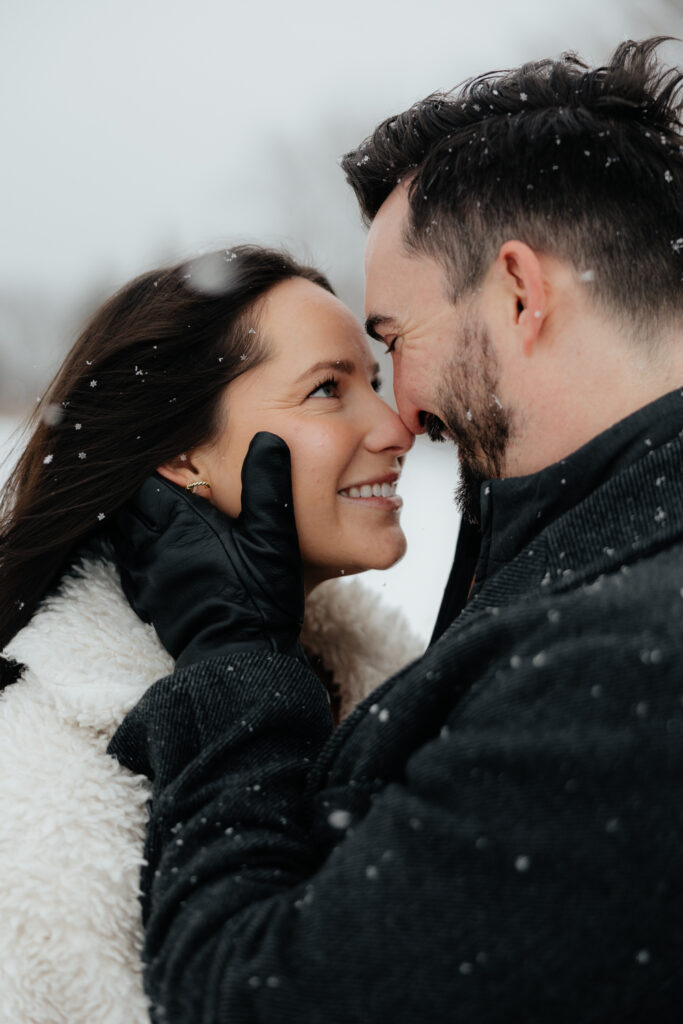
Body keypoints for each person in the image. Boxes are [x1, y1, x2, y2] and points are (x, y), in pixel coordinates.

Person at [101, 37, 683, 1022]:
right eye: (336, 384)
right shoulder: (591, 561)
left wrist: (236, 663)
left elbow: (254, 1000)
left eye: (389, 346)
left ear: (516, 292)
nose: (398, 417)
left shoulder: (624, 662)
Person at [0, 246, 421, 1024]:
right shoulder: (46, 792)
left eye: (377, 381)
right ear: (183, 455)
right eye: (327, 389)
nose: (396, 428)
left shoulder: (388, 681)